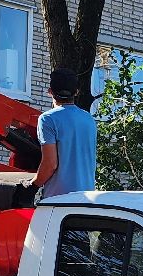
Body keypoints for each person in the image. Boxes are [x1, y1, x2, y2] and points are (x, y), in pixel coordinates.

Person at [31, 68, 97, 199]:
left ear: (50, 92)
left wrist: (32, 186)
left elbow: (50, 164)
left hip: (59, 200)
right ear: (76, 92)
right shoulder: (89, 119)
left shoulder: (47, 119)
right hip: (87, 197)